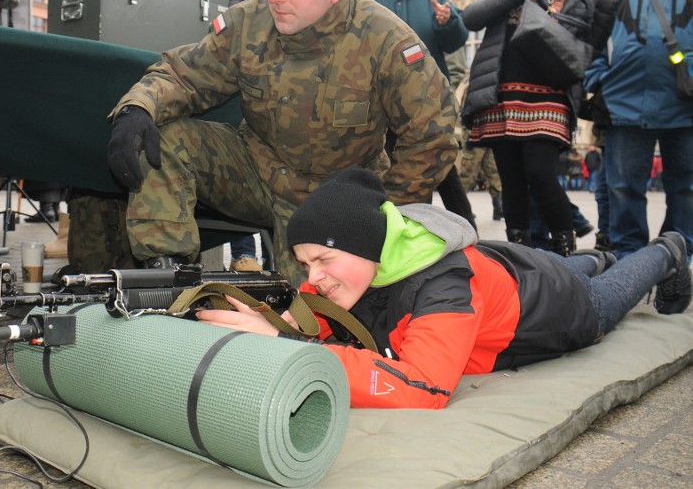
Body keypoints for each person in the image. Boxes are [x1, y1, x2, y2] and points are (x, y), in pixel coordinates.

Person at [106, 0, 458, 284]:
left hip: (337, 199)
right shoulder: (250, 21)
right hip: (256, 173)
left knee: (312, 321)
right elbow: (184, 75)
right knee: (165, 139)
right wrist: (138, 107)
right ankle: (167, 281)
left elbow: (434, 135)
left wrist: (382, 216)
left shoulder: (385, 39)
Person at [196, 166, 692, 409]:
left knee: (614, 293)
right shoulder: (364, 263)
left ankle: (666, 251)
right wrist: (275, 325)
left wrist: (297, 354)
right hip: (510, 268)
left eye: (323, 259)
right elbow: (310, 314)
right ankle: (591, 258)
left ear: (368, 246)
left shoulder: (442, 289)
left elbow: (426, 388)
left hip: (560, 308)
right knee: (568, 262)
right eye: (306, 264)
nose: (313, 279)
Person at [460, 0, 623, 256]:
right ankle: (521, 254)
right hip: (501, 98)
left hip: (549, 97)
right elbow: (472, 18)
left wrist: (608, 7)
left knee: (541, 174)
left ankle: (565, 250)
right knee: (513, 182)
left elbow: (589, 44)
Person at [584, 0, 692, 261]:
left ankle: (675, 260)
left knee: (686, 190)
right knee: (623, 190)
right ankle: (630, 263)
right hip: (625, 105)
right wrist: (599, 80)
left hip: (684, 105)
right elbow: (594, 42)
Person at [357, 0, 475, 230]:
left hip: (427, 102)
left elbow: (456, 41)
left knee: (442, 168)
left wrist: (448, 22)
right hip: (380, 104)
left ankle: (469, 235)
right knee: (393, 172)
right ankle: (401, 236)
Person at [217, 0, 270, 271]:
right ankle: (243, 254)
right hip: (245, 87)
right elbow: (234, 28)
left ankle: (278, 254)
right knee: (244, 170)